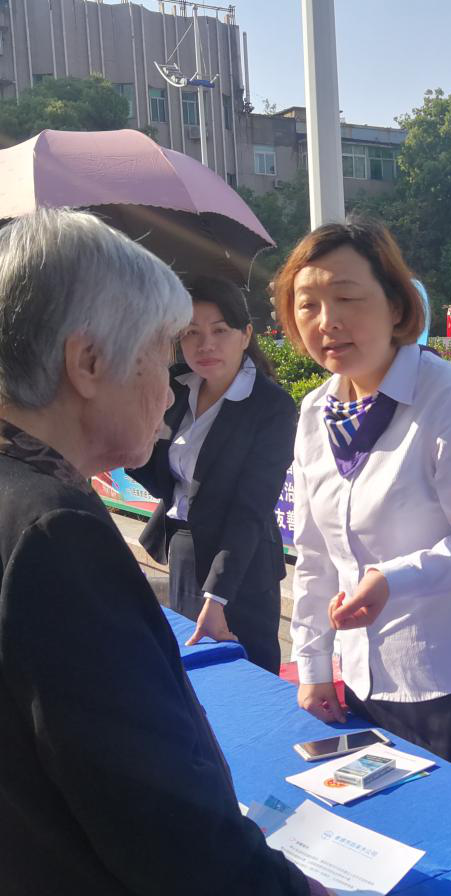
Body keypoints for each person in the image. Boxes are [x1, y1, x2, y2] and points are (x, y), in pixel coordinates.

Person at [0, 209, 435, 896]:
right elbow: (151, 816)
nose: (171, 384)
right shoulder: (49, 534)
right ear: (87, 362)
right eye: (159, 354)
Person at [278, 219, 451, 793]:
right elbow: (314, 553)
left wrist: (392, 580)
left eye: (347, 298)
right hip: (363, 683)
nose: (326, 321)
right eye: (307, 304)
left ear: (396, 305)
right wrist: (313, 666)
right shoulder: (316, 413)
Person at [128, 278, 295, 673]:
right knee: (193, 680)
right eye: (192, 333)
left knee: (246, 681)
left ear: (246, 335)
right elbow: (165, 482)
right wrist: (135, 439)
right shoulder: (173, 388)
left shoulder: (271, 407)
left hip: (241, 567)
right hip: (184, 552)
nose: (205, 345)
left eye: (220, 331)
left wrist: (218, 597)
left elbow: (251, 509)